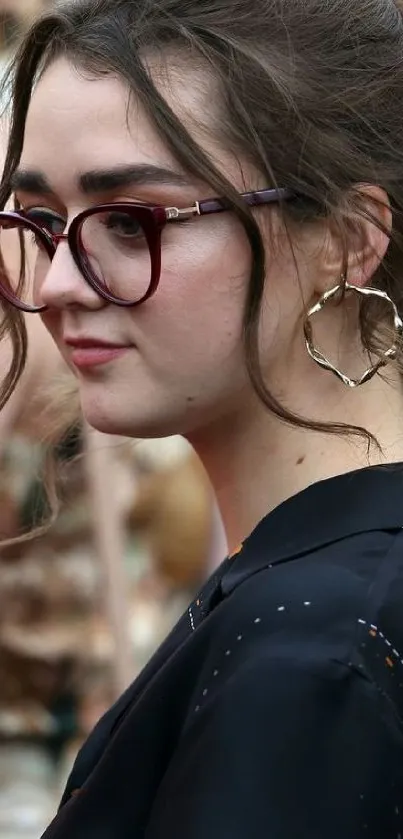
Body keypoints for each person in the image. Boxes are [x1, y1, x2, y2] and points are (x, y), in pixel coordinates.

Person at [0, 0, 403, 835]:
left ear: (346, 237)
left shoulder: (308, 655)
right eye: (42, 224)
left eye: (130, 220)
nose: (59, 286)